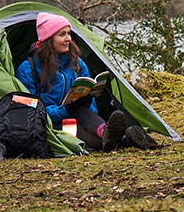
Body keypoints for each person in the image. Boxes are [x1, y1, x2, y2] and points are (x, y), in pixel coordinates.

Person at [15, 12, 154, 151]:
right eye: (62, 34)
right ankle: (125, 139)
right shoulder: (28, 69)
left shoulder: (76, 63)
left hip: (80, 117)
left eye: (69, 34)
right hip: (50, 125)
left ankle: (109, 133)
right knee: (82, 128)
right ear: (48, 38)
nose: (68, 39)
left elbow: (90, 108)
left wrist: (87, 102)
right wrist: (66, 109)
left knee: (81, 112)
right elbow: (31, 111)